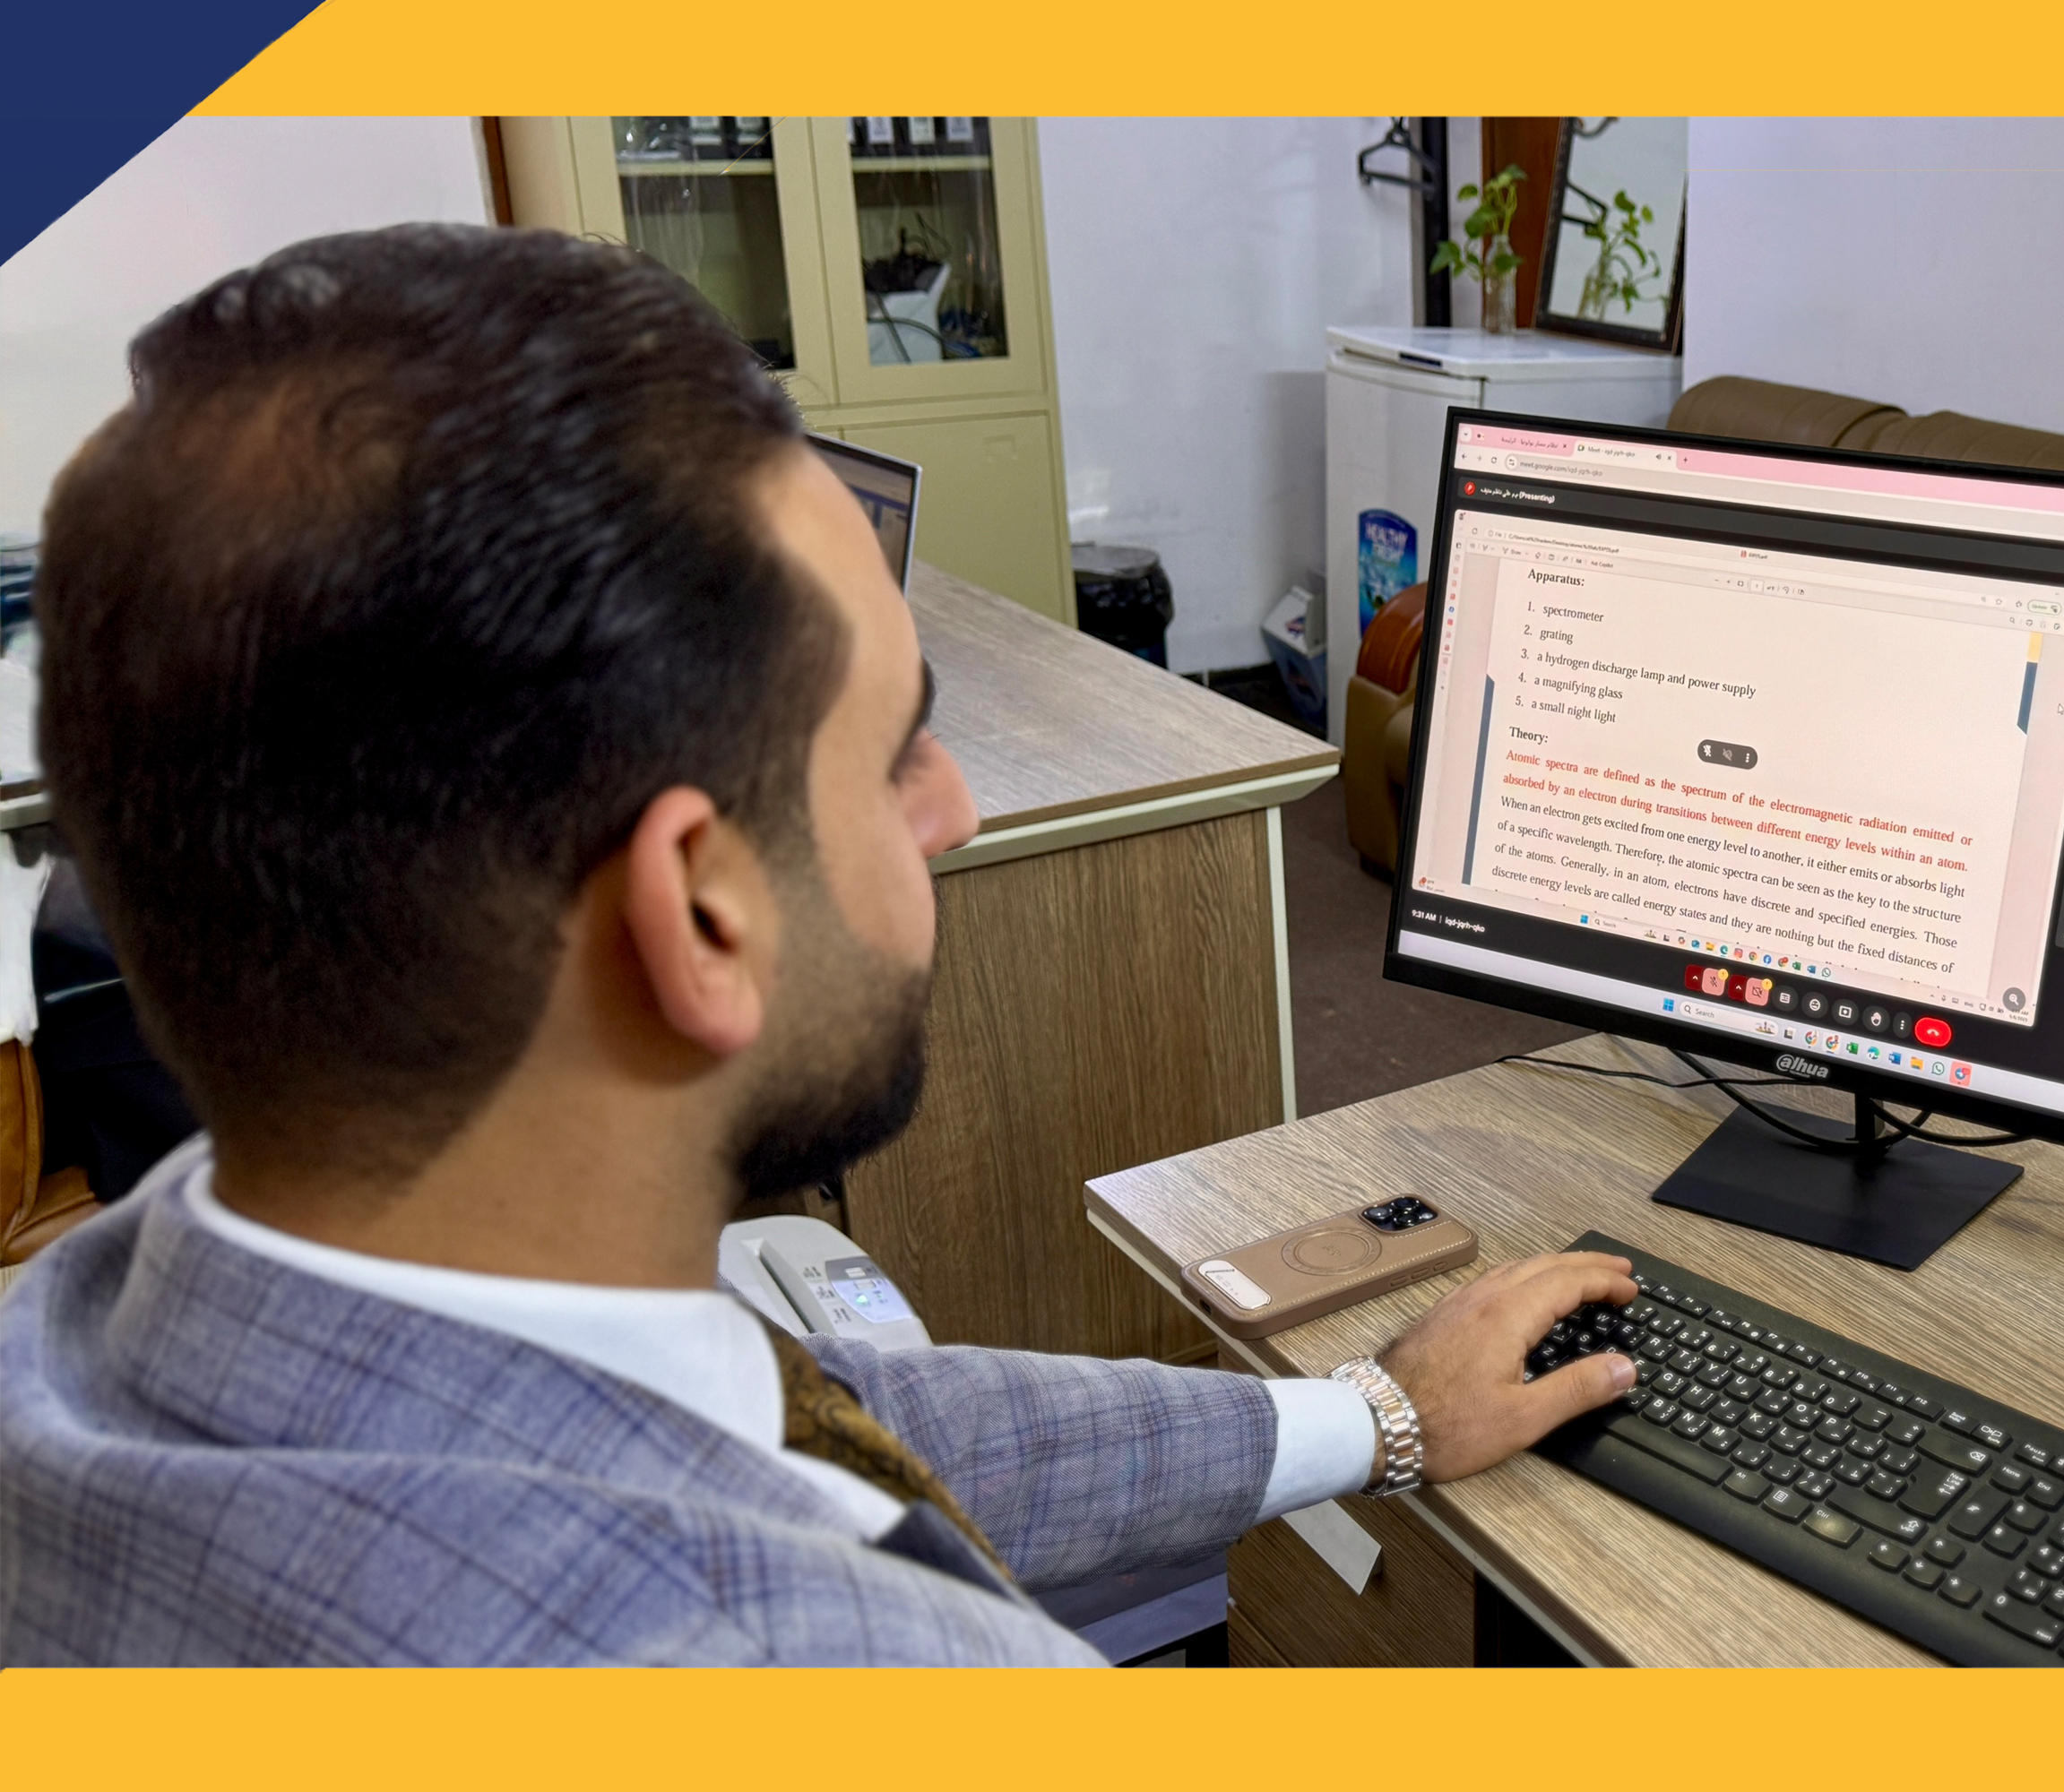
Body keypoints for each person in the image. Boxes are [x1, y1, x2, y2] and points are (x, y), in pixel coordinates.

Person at [0, 226, 1637, 1665]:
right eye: (895, 753)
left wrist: (1375, 1414)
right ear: (703, 916)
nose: (956, 810)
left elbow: (825, 1415)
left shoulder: (109, 1311)